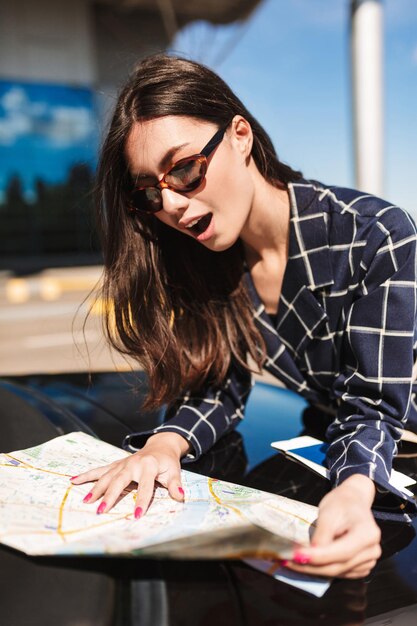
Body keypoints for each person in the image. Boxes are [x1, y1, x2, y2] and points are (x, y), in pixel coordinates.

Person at [72, 53, 417, 579]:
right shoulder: (213, 263)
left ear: (239, 135)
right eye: (149, 191)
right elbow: (218, 384)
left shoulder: (374, 236)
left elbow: (374, 407)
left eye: (184, 169)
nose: (171, 206)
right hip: (349, 455)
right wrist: (164, 446)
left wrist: (354, 489)